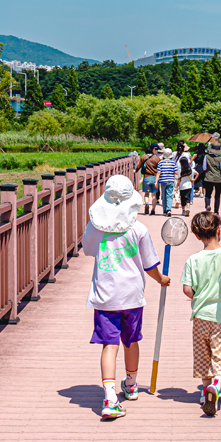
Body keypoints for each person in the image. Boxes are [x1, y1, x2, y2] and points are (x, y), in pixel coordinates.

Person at [82, 174, 171, 420]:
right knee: (131, 340)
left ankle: (110, 397)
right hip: (131, 296)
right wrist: (161, 279)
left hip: (105, 296)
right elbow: (149, 264)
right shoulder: (139, 229)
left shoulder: (94, 226)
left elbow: (88, 249)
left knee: (109, 345)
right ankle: (131, 385)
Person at [179, 211, 221, 416]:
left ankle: (205, 392)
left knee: (204, 356)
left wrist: (197, 295)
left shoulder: (193, 260)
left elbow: (187, 289)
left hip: (200, 315)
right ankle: (217, 386)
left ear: (197, 236)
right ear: (219, 230)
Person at [199, 144, 221, 216]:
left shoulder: (207, 156)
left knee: (208, 194)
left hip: (208, 178)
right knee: (217, 196)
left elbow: (204, 168)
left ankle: (208, 206)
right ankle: (216, 212)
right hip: (218, 179)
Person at [155, 144, 179, 217]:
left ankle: (164, 210)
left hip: (162, 181)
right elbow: (176, 172)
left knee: (164, 196)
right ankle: (169, 209)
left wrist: (156, 181)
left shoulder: (160, 163)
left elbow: (158, 173)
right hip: (170, 181)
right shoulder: (173, 163)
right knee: (169, 196)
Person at [139, 145, 162, 215]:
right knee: (154, 195)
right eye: (157, 150)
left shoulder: (143, 156)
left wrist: (135, 171)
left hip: (146, 177)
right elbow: (159, 168)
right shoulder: (157, 158)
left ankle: (146, 204)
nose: (157, 151)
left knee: (146, 194)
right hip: (154, 178)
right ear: (153, 149)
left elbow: (139, 166)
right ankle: (153, 210)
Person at [176, 142, 196, 212]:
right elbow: (197, 173)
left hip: (182, 186)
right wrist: (194, 179)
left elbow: (178, 179)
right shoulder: (191, 169)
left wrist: (177, 187)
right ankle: (188, 208)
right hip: (189, 186)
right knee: (188, 198)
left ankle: (183, 210)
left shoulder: (180, 170)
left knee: (183, 198)